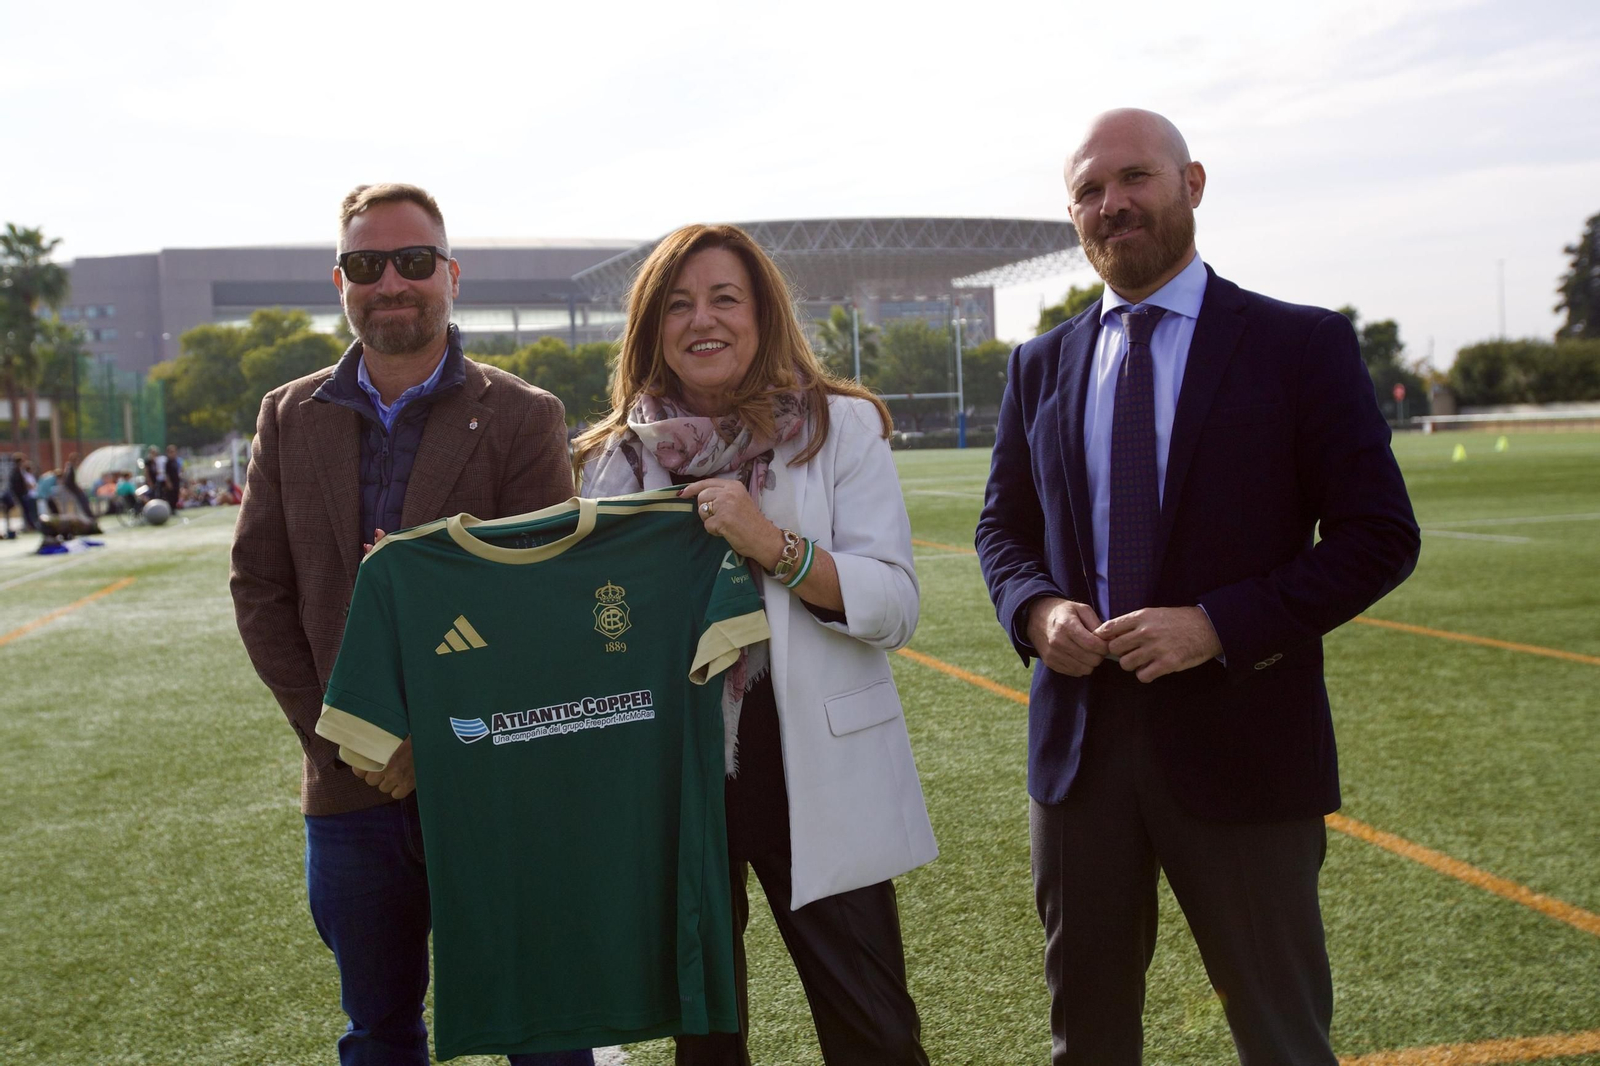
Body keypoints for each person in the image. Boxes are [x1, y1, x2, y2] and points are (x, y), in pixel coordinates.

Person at [975, 109, 1421, 1066]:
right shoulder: (1039, 364)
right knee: (1087, 1041)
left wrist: (1217, 624)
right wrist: (1037, 608)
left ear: (1193, 183)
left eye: (1134, 177)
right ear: (1073, 215)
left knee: (1282, 1036)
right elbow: (1003, 532)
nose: (1113, 203)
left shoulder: (1298, 346)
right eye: (1090, 191)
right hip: (1080, 758)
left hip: (1245, 745)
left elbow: (1379, 536)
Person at [230, 182, 592, 1066]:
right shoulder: (288, 414)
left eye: (414, 261)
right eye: (367, 264)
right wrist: (346, 739)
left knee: (542, 1026)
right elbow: (261, 590)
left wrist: (439, 741)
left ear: (452, 275)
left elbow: (540, 608)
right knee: (381, 1032)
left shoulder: (525, 417)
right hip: (349, 790)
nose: (392, 281)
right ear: (341, 281)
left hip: (493, 783)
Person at [575, 223, 938, 1066]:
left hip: (816, 769)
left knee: (876, 1034)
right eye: (678, 305)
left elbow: (894, 605)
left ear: (761, 312)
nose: (703, 319)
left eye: (724, 298)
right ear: (651, 329)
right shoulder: (616, 460)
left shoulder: (839, 427)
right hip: (680, 778)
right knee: (705, 1042)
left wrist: (771, 543)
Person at [7, 454, 39, 532]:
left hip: (23, 494)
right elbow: (16, 484)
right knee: (25, 511)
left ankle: (29, 525)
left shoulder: (20, 471)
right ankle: (28, 526)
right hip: (21, 495)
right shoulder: (15, 471)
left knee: (27, 511)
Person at [162, 444, 183, 509]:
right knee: (171, 495)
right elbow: (166, 474)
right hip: (171, 481)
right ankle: (171, 508)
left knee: (176, 494)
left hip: (176, 481)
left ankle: (174, 508)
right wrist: (168, 483)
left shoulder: (176, 461)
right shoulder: (168, 462)